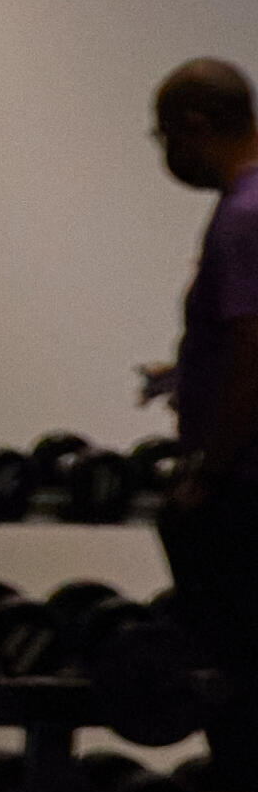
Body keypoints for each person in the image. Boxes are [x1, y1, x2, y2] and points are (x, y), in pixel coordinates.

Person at [145, 59, 258, 681]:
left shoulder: (245, 216)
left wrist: (207, 477)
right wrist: (187, 375)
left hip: (243, 493)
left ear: (193, 126)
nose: (166, 152)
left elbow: (254, 354)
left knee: (231, 683)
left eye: (164, 137)